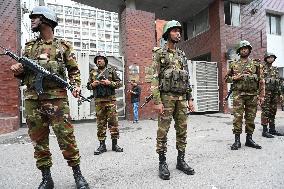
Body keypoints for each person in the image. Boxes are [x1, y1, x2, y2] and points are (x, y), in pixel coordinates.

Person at [9, 6, 89, 189]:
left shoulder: (63, 46)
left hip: (57, 99)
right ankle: (46, 178)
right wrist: (17, 71)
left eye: (35, 17)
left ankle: (78, 175)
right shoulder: (29, 46)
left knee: (66, 137)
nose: (32, 21)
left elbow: (74, 71)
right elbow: (23, 73)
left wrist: (76, 86)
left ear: (46, 19)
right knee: (38, 140)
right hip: (32, 99)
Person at [151, 20, 195, 180]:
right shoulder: (159, 53)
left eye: (179, 31)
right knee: (163, 131)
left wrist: (190, 98)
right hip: (166, 98)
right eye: (175, 30)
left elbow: (187, 78)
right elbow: (154, 78)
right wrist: (157, 101)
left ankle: (180, 160)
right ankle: (162, 162)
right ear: (167, 33)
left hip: (182, 99)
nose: (178, 33)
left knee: (182, 130)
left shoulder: (182, 54)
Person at [225, 40, 265, 151]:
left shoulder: (256, 64)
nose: (244, 50)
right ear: (239, 51)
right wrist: (234, 78)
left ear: (249, 50)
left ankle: (249, 139)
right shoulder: (234, 64)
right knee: (237, 117)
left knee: (250, 117)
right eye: (242, 48)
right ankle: (237, 140)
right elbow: (226, 78)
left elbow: (261, 80)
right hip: (239, 95)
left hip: (252, 95)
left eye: (246, 48)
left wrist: (262, 96)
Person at [87, 52, 123, 155]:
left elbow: (119, 83)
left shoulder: (111, 71)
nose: (99, 60)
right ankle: (102, 145)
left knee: (113, 123)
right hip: (99, 102)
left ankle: (114, 144)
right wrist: (92, 84)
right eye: (97, 59)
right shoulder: (93, 72)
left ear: (105, 61)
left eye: (101, 59)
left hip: (110, 101)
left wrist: (109, 83)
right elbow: (88, 86)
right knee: (100, 124)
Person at [261, 52, 284, 138]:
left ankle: (272, 129)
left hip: (274, 94)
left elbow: (279, 82)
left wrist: (280, 94)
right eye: (269, 57)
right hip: (265, 93)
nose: (271, 59)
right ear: (266, 58)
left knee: (273, 111)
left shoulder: (275, 69)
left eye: (272, 57)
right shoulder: (262, 68)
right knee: (265, 111)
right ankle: (264, 131)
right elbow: (259, 82)